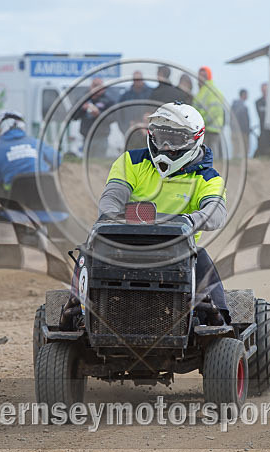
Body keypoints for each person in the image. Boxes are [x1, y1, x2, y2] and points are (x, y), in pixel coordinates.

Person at [98, 102, 230, 323]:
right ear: (151, 136)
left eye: (176, 139)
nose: (167, 146)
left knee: (202, 257)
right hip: (125, 245)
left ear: (194, 140)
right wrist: (112, 216)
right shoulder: (130, 161)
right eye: (161, 138)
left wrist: (189, 220)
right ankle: (79, 310)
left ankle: (220, 321)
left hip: (179, 253)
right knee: (90, 249)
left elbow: (216, 213)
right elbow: (111, 198)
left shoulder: (209, 178)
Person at [0, 111, 59, 198]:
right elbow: (57, 159)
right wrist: (48, 171)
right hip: (44, 192)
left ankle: (4, 211)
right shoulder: (36, 143)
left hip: (16, 196)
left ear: (1, 128)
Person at [73, 78, 115, 158]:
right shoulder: (83, 99)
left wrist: (99, 114)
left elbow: (113, 118)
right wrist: (82, 108)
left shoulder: (109, 100)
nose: (96, 88)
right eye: (94, 85)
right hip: (87, 137)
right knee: (87, 163)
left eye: (99, 86)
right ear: (90, 86)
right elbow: (73, 116)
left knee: (100, 163)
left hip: (101, 137)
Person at [194, 66, 225, 160]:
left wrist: (202, 122)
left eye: (203, 75)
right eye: (199, 75)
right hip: (206, 128)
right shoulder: (203, 90)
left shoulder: (210, 90)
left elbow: (214, 110)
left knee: (212, 156)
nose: (200, 77)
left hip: (211, 128)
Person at [253, 82, 270, 158]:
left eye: (266, 90)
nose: (265, 91)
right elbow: (261, 115)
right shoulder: (258, 102)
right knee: (262, 142)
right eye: (263, 90)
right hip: (263, 128)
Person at [231, 89, 250, 158]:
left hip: (235, 130)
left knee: (236, 148)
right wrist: (246, 130)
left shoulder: (234, 105)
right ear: (243, 95)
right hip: (241, 131)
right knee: (241, 148)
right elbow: (242, 120)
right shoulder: (241, 106)